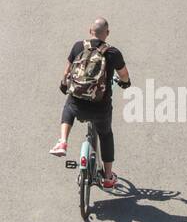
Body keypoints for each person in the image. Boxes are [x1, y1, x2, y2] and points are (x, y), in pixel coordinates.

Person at [49, 18, 131, 192]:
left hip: (78, 104)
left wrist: (64, 85)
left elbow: (67, 72)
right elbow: (124, 75)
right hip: (100, 107)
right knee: (106, 134)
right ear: (107, 34)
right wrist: (125, 83)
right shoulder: (113, 53)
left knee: (69, 105)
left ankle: (63, 141)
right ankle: (108, 177)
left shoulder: (78, 46)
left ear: (90, 30)